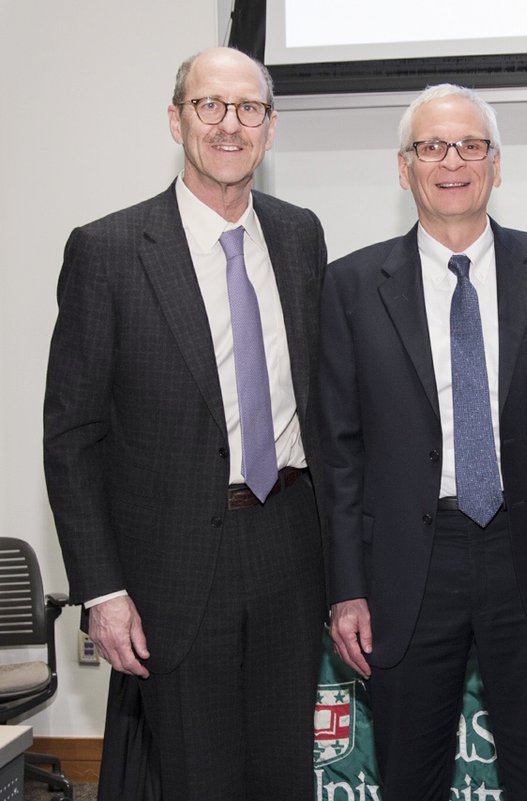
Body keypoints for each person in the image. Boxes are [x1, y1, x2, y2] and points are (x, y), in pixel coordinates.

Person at [42, 47, 328, 800]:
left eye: (249, 109)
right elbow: (71, 438)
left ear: (271, 128)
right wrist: (102, 591)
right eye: (210, 105)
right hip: (172, 567)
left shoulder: (301, 238)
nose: (229, 125)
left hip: (290, 546)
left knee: (283, 777)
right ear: (177, 119)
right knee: (195, 779)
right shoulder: (107, 250)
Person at [321, 83, 527, 801]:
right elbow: (339, 451)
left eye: (470, 145)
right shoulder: (352, 285)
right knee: (410, 778)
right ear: (404, 167)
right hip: (408, 568)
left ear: (496, 164)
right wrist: (347, 587)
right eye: (432, 146)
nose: (452, 161)